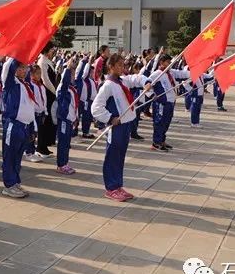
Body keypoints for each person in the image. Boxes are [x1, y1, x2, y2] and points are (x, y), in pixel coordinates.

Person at [91, 54, 151, 202]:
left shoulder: (122, 80)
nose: (122, 68)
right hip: (115, 127)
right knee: (112, 156)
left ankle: (117, 185)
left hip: (126, 125)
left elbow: (136, 78)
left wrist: (146, 82)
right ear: (110, 67)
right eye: (119, 65)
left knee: (120, 157)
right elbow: (95, 108)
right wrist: (110, 118)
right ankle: (110, 188)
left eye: (123, 65)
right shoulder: (108, 85)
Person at [0, 57, 38, 199]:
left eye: (25, 68)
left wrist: (32, 128)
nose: (23, 70)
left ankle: (15, 182)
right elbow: (7, 68)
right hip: (13, 125)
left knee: (17, 157)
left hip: (25, 126)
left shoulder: (27, 85)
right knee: (9, 156)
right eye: (20, 68)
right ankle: (8, 185)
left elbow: (30, 108)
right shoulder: (10, 83)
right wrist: (15, 53)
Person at [148, 54, 189, 152]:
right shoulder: (157, 74)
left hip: (170, 102)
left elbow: (182, 74)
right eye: (167, 62)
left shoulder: (170, 72)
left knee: (166, 122)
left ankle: (162, 140)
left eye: (170, 62)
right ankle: (156, 143)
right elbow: (147, 83)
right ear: (161, 63)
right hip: (161, 104)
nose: (170, 64)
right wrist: (152, 95)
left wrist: (195, 73)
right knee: (159, 123)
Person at [52, 56, 79, 175]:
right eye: (72, 74)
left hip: (70, 120)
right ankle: (60, 165)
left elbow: (74, 105)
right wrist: (68, 68)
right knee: (62, 143)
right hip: (64, 119)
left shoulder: (72, 88)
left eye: (74, 74)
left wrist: (75, 117)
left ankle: (65, 163)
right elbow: (64, 81)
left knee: (67, 143)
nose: (74, 77)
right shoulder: (62, 88)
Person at [35, 45, 57, 157]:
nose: (53, 51)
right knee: (44, 120)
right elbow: (45, 80)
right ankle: (40, 147)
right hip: (47, 93)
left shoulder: (47, 61)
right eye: (51, 49)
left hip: (51, 93)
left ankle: (45, 146)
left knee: (48, 120)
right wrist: (55, 91)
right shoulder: (42, 61)